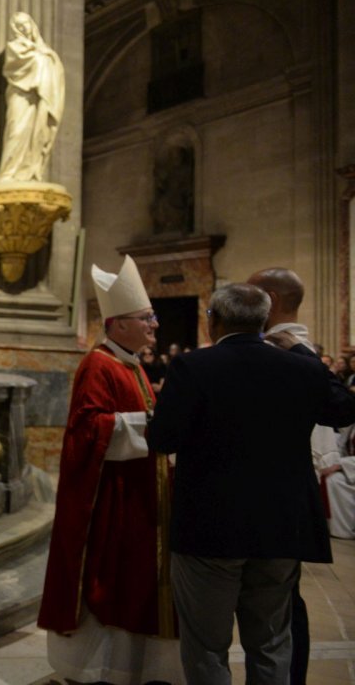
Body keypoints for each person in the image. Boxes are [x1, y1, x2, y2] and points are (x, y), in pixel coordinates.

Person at [149, 283, 355, 685]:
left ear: (213, 321)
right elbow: (343, 408)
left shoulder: (193, 367)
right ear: (264, 322)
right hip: (280, 526)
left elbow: (163, 440)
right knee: (272, 642)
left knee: (207, 645)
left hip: (210, 527)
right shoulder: (300, 367)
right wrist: (302, 352)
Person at [39, 254, 182, 685]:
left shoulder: (131, 363)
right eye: (147, 318)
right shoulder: (98, 365)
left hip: (141, 496)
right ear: (118, 323)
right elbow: (85, 431)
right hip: (114, 502)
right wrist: (151, 425)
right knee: (116, 583)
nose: (155, 326)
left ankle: (138, 669)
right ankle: (105, 669)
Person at [249, 266, 355, 683]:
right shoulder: (267, 349)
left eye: (251, 292)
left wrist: (304, 354)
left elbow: (341, 408)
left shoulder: (291, 351)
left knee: (283, 604)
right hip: (261, 494)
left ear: (270, 300)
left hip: (278, 496)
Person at [0, 12, 65, 183]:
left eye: (26, 23)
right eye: (19, 26)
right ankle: (8, 173)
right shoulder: (14, 47)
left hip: (39, 96)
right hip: (20, 95)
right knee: (16, 131)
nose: (23, 28)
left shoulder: (45, 51)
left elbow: (53, 69)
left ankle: (30, 172)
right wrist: (42, 59)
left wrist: (45, 58)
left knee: (38, 131)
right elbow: (16, 67)